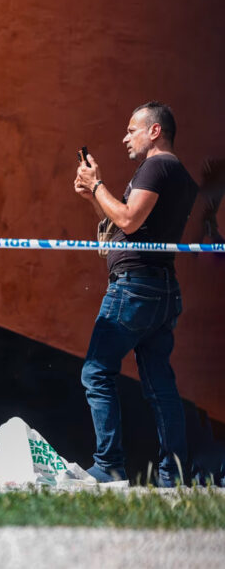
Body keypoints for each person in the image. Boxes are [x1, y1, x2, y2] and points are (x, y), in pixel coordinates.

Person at [74, 101, 198, 486]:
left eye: (132, 129)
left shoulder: (158, 166)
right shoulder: (176, 174)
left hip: (135, 289)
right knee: (160, 384)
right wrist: (92, 198)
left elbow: (128, 219)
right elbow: (127, 228)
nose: (125, 137)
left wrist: (97, 185)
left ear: (155, 131)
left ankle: (108, 466)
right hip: (160, 289)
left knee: (96, 371)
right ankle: (172, 477)